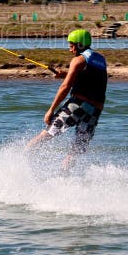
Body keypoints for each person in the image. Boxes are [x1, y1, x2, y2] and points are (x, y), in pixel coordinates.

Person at [25, 29, 107, 169]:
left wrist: (51, 110)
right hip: (95, 111)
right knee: (77, 148)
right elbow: (91, 80)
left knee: (48, 133)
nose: (70, 50)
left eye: (71, 46)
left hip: (78, 106)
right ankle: (64, 178)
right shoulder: (100, 59)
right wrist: (67, 73)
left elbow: (65, 87)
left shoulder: (78, 60)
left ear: (80, 44)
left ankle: (20, 161)